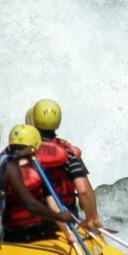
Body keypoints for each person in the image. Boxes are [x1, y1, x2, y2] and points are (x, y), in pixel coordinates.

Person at [30, 98, 103, 232]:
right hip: (67, 218)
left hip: (33, 220)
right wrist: (92, 218)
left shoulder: (25, 152)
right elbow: (83, 190)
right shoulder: (68, 153)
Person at [2, 124, 72, 242]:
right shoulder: (38, 170)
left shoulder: (1, 167)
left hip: (8, 232)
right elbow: (54, 206)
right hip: (36, 232)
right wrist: (69, 234)